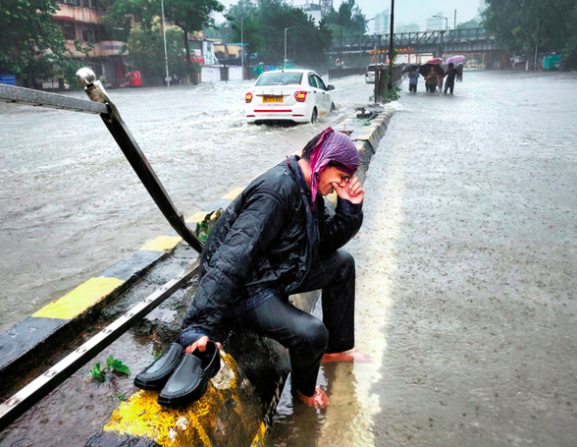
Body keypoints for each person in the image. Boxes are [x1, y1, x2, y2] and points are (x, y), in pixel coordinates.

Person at [177, 127, 365, 408]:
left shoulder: (308, 186)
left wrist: (349, 210)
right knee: (312, 334)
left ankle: (334, 351)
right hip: (247, 288)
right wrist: (198, 325)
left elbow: (322, 242)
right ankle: (304, 390)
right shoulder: (276, 191)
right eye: (342, 176)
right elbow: (230, 260)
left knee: (342, 264)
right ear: (323, 163)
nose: (342, 185)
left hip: (275, 269)